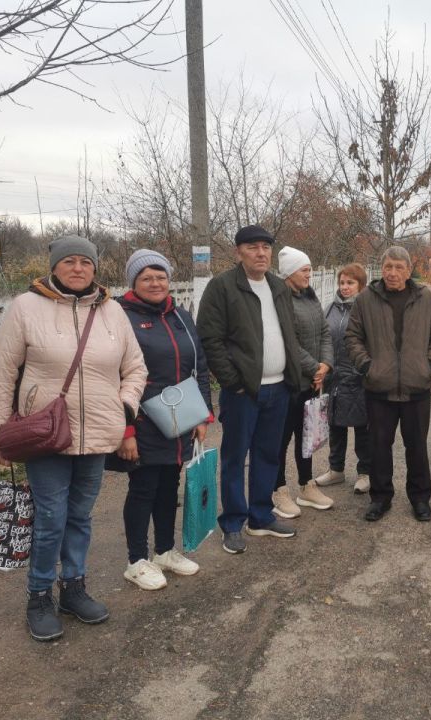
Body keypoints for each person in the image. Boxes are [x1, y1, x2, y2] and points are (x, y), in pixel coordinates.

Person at [0, 236, 147, 642]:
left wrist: (124, 407)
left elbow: (136, 368)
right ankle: (38, 595)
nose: (78, 268)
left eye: (86, 262)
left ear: (95, 268)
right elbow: (2, 373)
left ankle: (73, 588)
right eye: (69, 262)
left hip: (96, 434)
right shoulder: (27, 307)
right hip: (45, 435)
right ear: (54, 267)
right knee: (51, 520)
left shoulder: (111, 311)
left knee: (79, 516)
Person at [109, 249, 214, 591]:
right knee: (144, 487)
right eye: (146, 278)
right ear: (134, 282)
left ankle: (164, 551)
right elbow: (112, 375)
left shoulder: (180, 315)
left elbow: (198, 366)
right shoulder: (119, 316)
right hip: (141, 418)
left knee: (170, 486)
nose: (155, 283)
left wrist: (203, 414)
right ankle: (136, 560)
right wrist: (125, 429)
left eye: (161, 276)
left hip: (179, 414)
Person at [196, 225, 303, 554]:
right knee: (234, 457)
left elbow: (287, 332)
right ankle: (232, 522)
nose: (261, 253)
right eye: (253, 247)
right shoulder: (222, 287)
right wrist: (233, 382)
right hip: (244, 393)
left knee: (268, 456)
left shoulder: (278, 287)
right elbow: (210, 340)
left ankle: (260, 517)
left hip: (279, 389)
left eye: (266, 248)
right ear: (239, 251)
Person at [345, 246, 431, 522]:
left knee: (417, 445)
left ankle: (420, 497)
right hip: (379, 388)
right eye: (388, 267)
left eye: (399, 267)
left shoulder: (424, 297)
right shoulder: (366, 298)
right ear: (382, 269)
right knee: (379, 445)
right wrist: (367, 365)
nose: (392, 273)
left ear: (409, 269)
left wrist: (430, 364)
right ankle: (380, 498)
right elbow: (352, 336)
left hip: (417, 387)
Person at [271, 246, 335, 518]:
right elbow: (288, 342)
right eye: (304, 269)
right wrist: (314, 367)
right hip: (288, 383)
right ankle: (278, 491)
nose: (309, 274)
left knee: (307, 437)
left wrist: (325, 365)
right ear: (289, 273)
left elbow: (324, 332)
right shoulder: (280, 300)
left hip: (312, 381)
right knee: (280, 440)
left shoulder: (309, 297)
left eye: (309, 269)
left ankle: (306, 487)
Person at [316, 262, 371, 495]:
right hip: (334, 378)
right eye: (342, 282)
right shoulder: (331, 308)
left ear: (361, 285)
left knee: (362, 428)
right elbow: (323, 337)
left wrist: (363, 371)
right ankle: (336, 469)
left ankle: (365, 473)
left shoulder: (367, 309)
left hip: (358, 379)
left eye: (351, 283)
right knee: (335, 425)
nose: (345, 287)